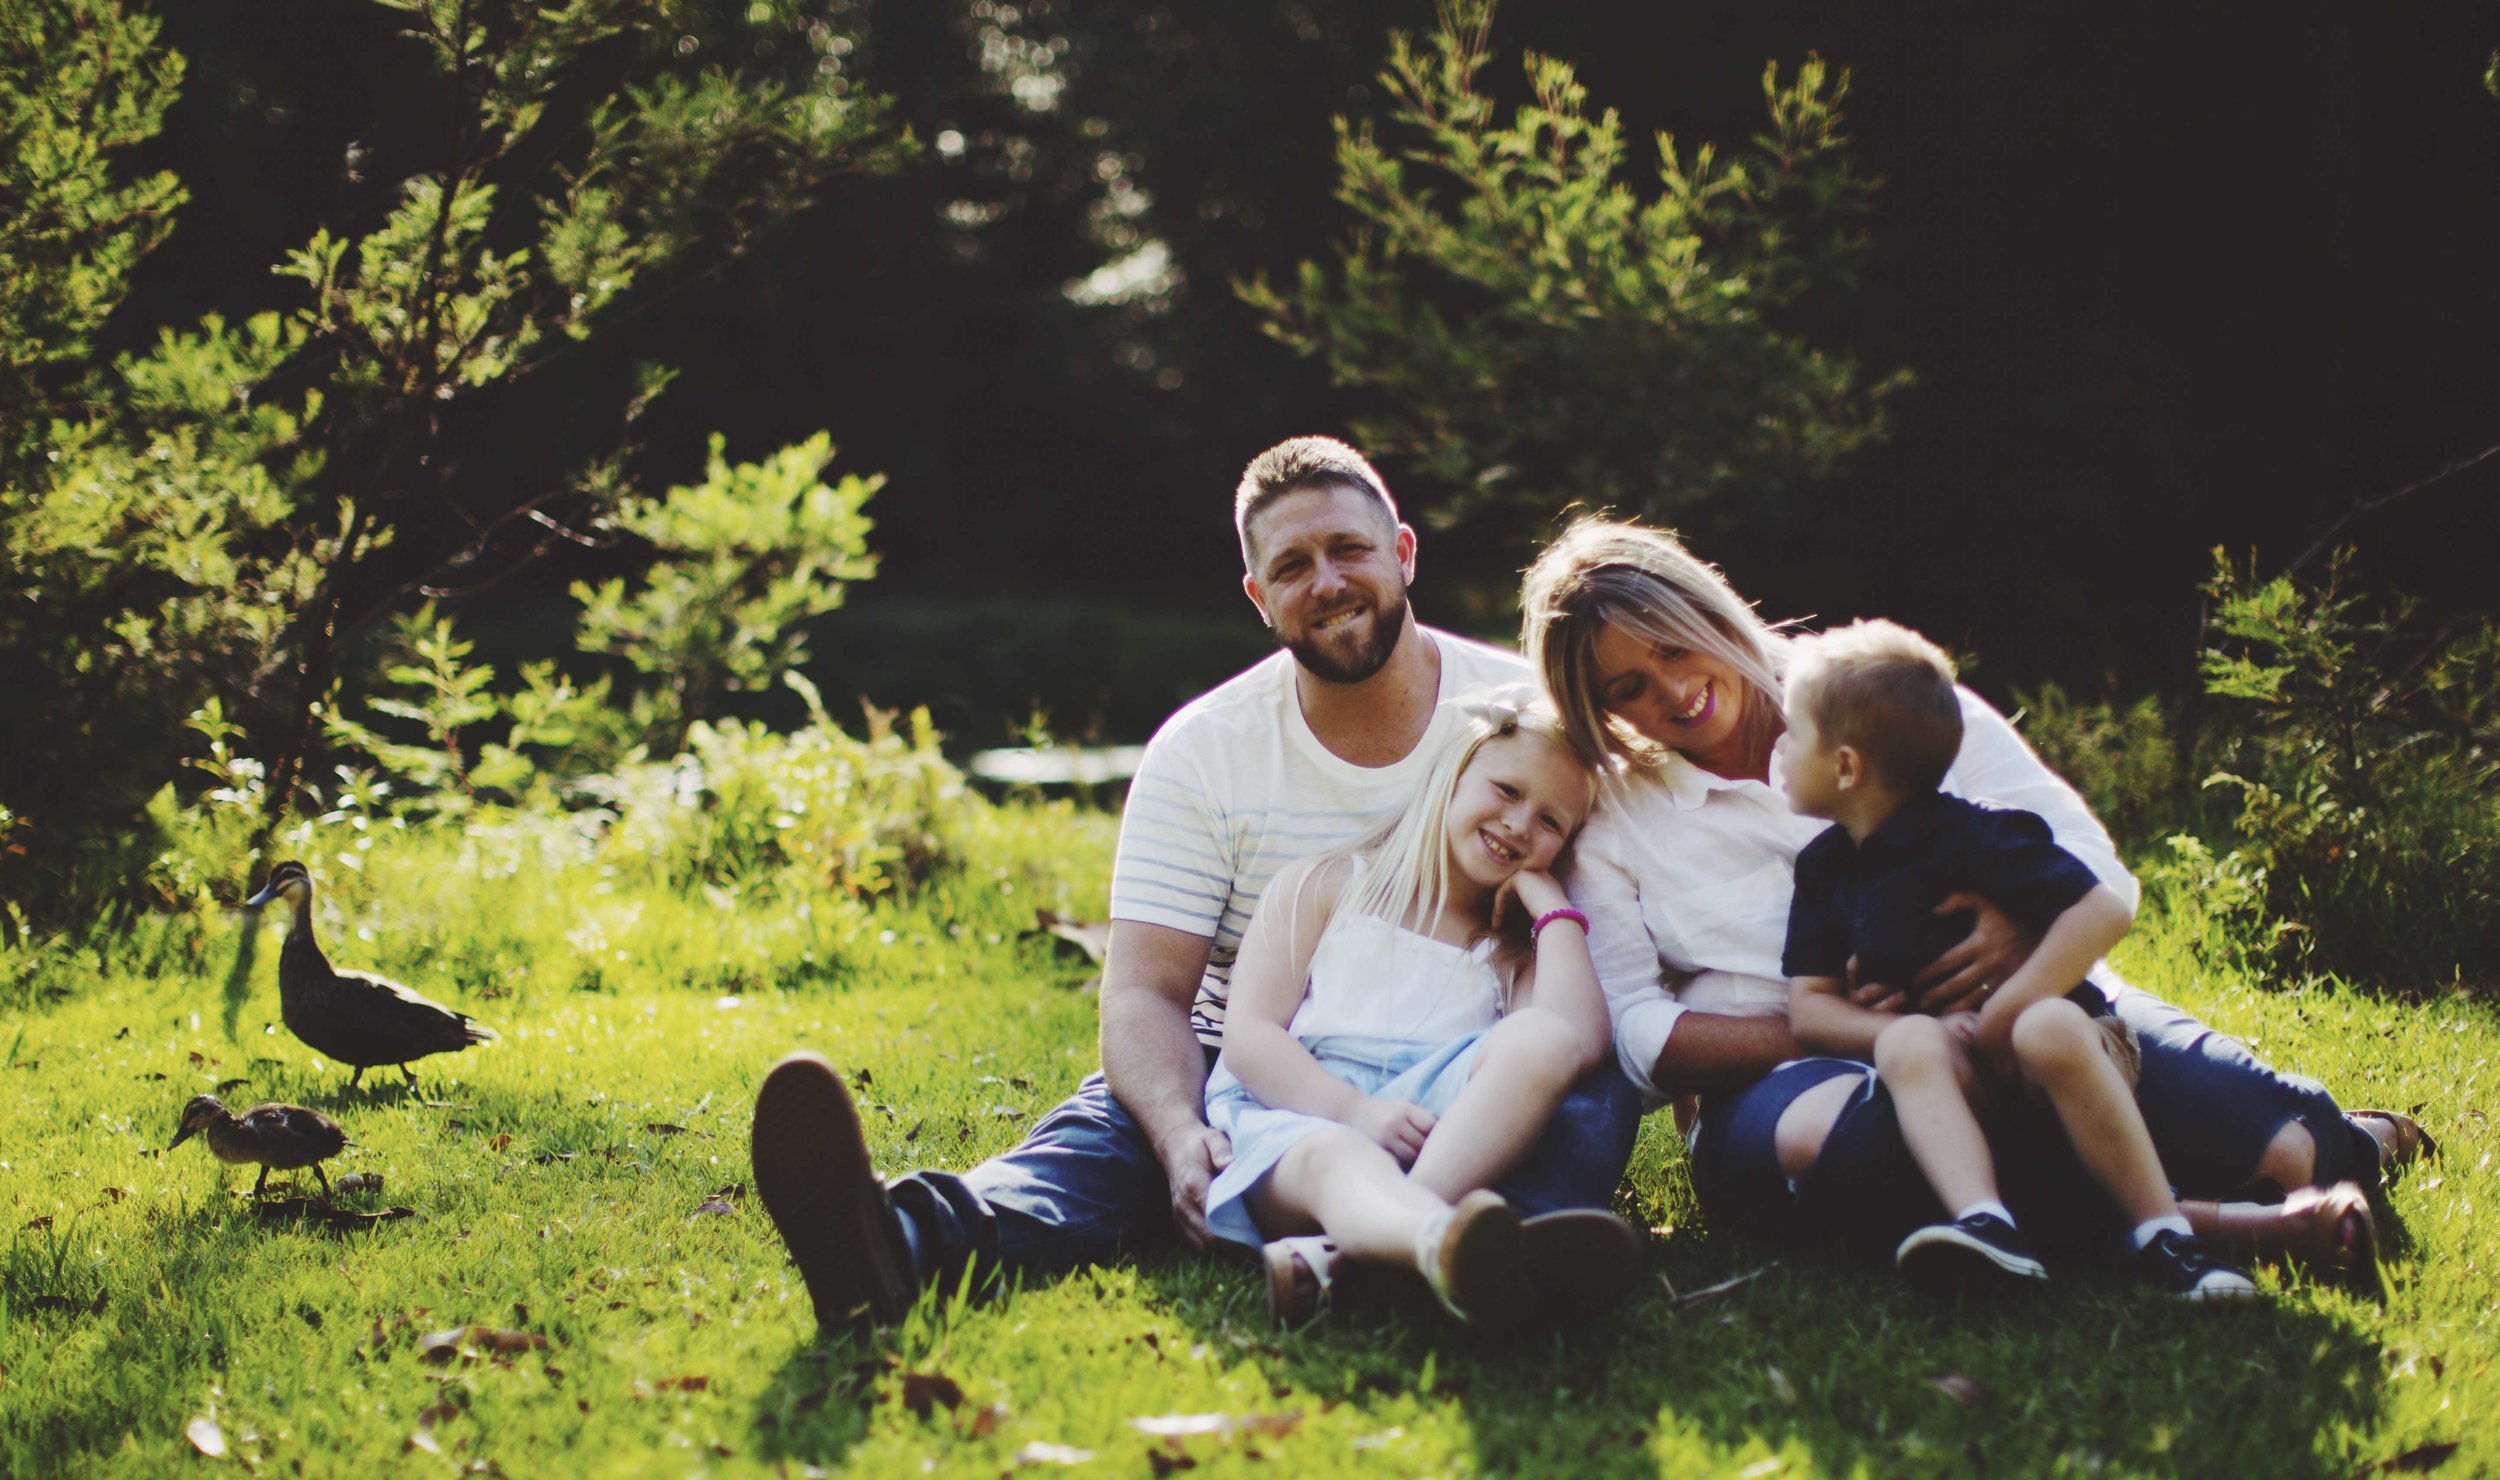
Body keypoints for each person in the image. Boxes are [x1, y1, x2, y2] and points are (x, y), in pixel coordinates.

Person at [748, 440, 1649, 1328]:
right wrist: (1182, 1134)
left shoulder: (1527, 715)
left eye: (1349, 549)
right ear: (1259, 597)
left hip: (1464, 1059)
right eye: (1292, 566)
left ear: (1404, 553)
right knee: (1110, 1142)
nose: (1327, 582)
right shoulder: (1206, 749)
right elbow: (1146, 992)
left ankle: (1459, 1252)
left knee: (1585, 1086)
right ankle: (893, 1243)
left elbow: (1614, 936)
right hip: (1259, 1058)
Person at [1521, 517, 2419, 1276]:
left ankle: (2351, 1141)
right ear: (1595, 707)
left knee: (2286, 1149)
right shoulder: (1617, 811)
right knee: (1845, 1147)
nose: (1674, 692)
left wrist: (2017, 937)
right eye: (1626, 687)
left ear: (1711, 610)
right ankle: (2209, 1226)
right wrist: (1839, 1019)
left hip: (2019, 1011)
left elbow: (2092, 869)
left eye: (1674, 648)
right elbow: (1638, 1032)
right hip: (1789, 1076)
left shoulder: (1871, 691)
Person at [1776, 619, 2255, 1298]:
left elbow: (2102, 909)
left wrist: (2008, 1007)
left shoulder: (1979, 834)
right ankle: (1986, 1226)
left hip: (2065, 1056)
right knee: (1907, 1039)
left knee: (2046, 1025)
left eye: (1792, 733)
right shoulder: (1825, 868)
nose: (1779, 748)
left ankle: (2167, 1235)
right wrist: (1917, 1030)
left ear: (1847, 765)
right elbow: (1809, 1006)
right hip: (1954, 1069)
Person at [1207, 691, 1638, 1329]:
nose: (1521, 825)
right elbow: (1248, 1035)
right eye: (1508, 791)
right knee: (1341, 1159)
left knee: (1540, 1037)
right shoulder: (1327, 884)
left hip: (1439, 1143)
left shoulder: (1510, 952)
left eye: (1552, 823)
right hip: (1298, 1124)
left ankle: (1365, 1260)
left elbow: (1576, 1043)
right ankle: (1441, 1245)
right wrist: (1353, 1112)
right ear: (1452, 776)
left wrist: (1552, 910)